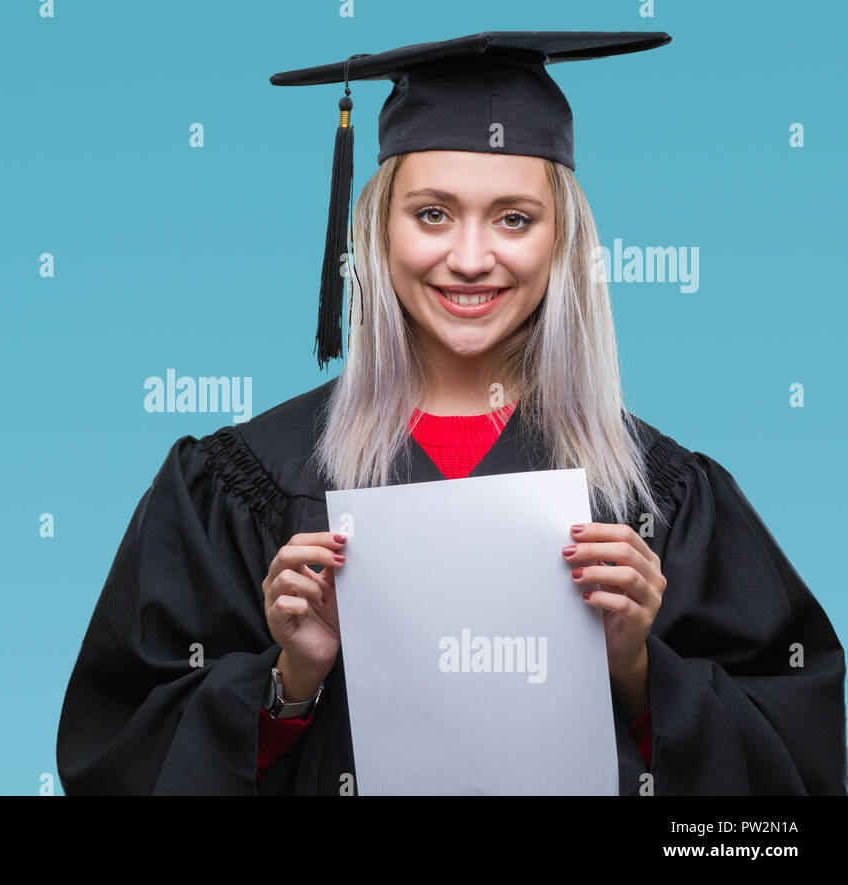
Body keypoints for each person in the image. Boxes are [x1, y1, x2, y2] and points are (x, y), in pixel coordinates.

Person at [55, 31, 848, 795]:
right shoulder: (244, 482)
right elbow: (116, 757)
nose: (470, 258)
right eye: (432, 213)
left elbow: (796, 774)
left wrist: (640, 670)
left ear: (562, 241)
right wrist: (288, 679)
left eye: (514, 218)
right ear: (375, 229)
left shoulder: (656, 497)